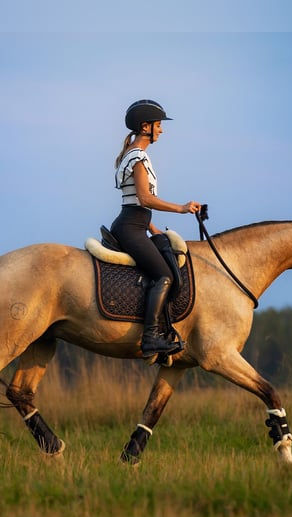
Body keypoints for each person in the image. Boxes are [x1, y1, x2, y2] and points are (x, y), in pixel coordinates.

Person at [110, 99, 201, 357]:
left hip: (137, 224)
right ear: (145, 126)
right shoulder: (137, 157)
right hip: (130, 227)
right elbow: (145, 199)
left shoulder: (136, 155)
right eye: (158, 125)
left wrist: (153, 228)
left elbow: (136, 203)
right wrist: (182, 208)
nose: (161, 130)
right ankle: (150, 337)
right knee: (165, 276)